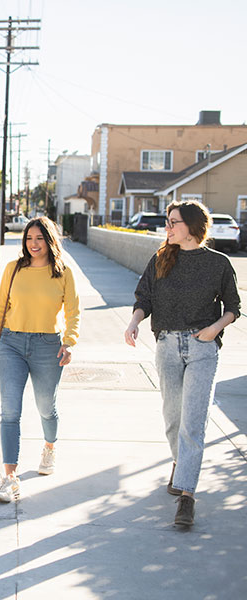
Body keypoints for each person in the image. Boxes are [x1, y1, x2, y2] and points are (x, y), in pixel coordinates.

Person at [125, 200, 240, 527]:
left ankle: (187, 496)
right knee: (173, 418)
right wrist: (133, 322)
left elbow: (233, 307)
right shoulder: (161, 258)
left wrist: (214, 329)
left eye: (173, 222)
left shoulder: (218, 264)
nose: (168, 228)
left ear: (192, 226)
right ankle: (180, 462)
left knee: (193, 421)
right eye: (168, 222)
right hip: (167, 347)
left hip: (202, 348)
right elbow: (143, 298)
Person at [0, 216, 80, 502]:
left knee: (45, 407)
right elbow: (0, 308)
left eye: (39, 238)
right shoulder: (13, 269)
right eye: (29, 239)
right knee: (9, 411)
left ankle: (49, 447)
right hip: (11, 343)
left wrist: (69, 342)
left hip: (47, 346)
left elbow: (73, 313)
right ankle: (9, 478)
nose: (33, 244)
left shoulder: (63, 273)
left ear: (50, 241)